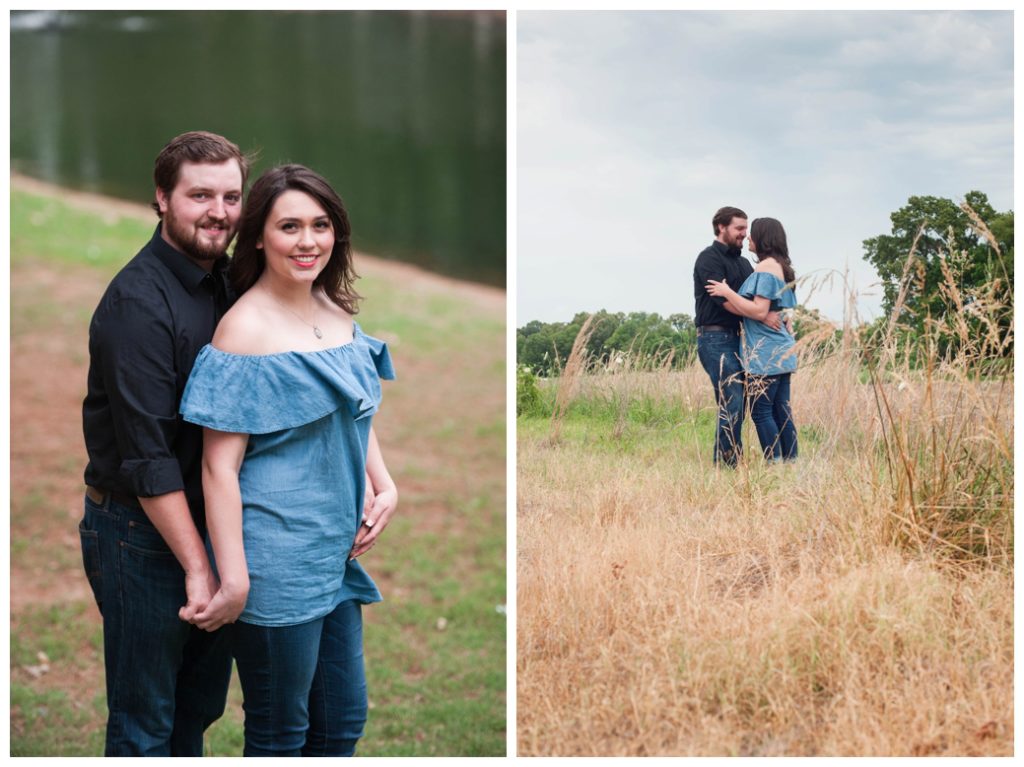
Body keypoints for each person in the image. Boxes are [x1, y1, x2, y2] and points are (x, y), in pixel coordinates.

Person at [178, 164, 398, 757]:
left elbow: (352, 408)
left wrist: (384, 483)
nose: (308, 242)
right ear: (258, 237)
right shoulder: (243, 331)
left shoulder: (333, 309)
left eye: (321, 225)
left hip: (333, 554)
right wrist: (236, 577)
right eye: (290, 227)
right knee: (280, 734)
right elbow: (218, 468)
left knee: (341, 724)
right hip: (276, 563)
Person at [79, 131, 249, 755]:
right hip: (140, 536)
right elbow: (147, 459)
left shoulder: (229, 282)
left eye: (231, 196)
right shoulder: (137, 304)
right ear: (161, 199)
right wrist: (200, 568)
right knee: (143, 724)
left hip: (212, 524)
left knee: (195, 713)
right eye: (199, 195)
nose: (218, 212)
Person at [693, 206, 783, 467]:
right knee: (732, 399)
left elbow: (754, 299)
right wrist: (762, 316)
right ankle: (729, 464)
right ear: (721, 227)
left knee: (737, 401)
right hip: (714, 339)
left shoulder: (744, 264)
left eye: (746, 229)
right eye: (739, 228)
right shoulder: (707, 259)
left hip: (740, 338)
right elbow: (726, 302)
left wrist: (776, 313)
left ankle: (726, 460)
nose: (745, 234)